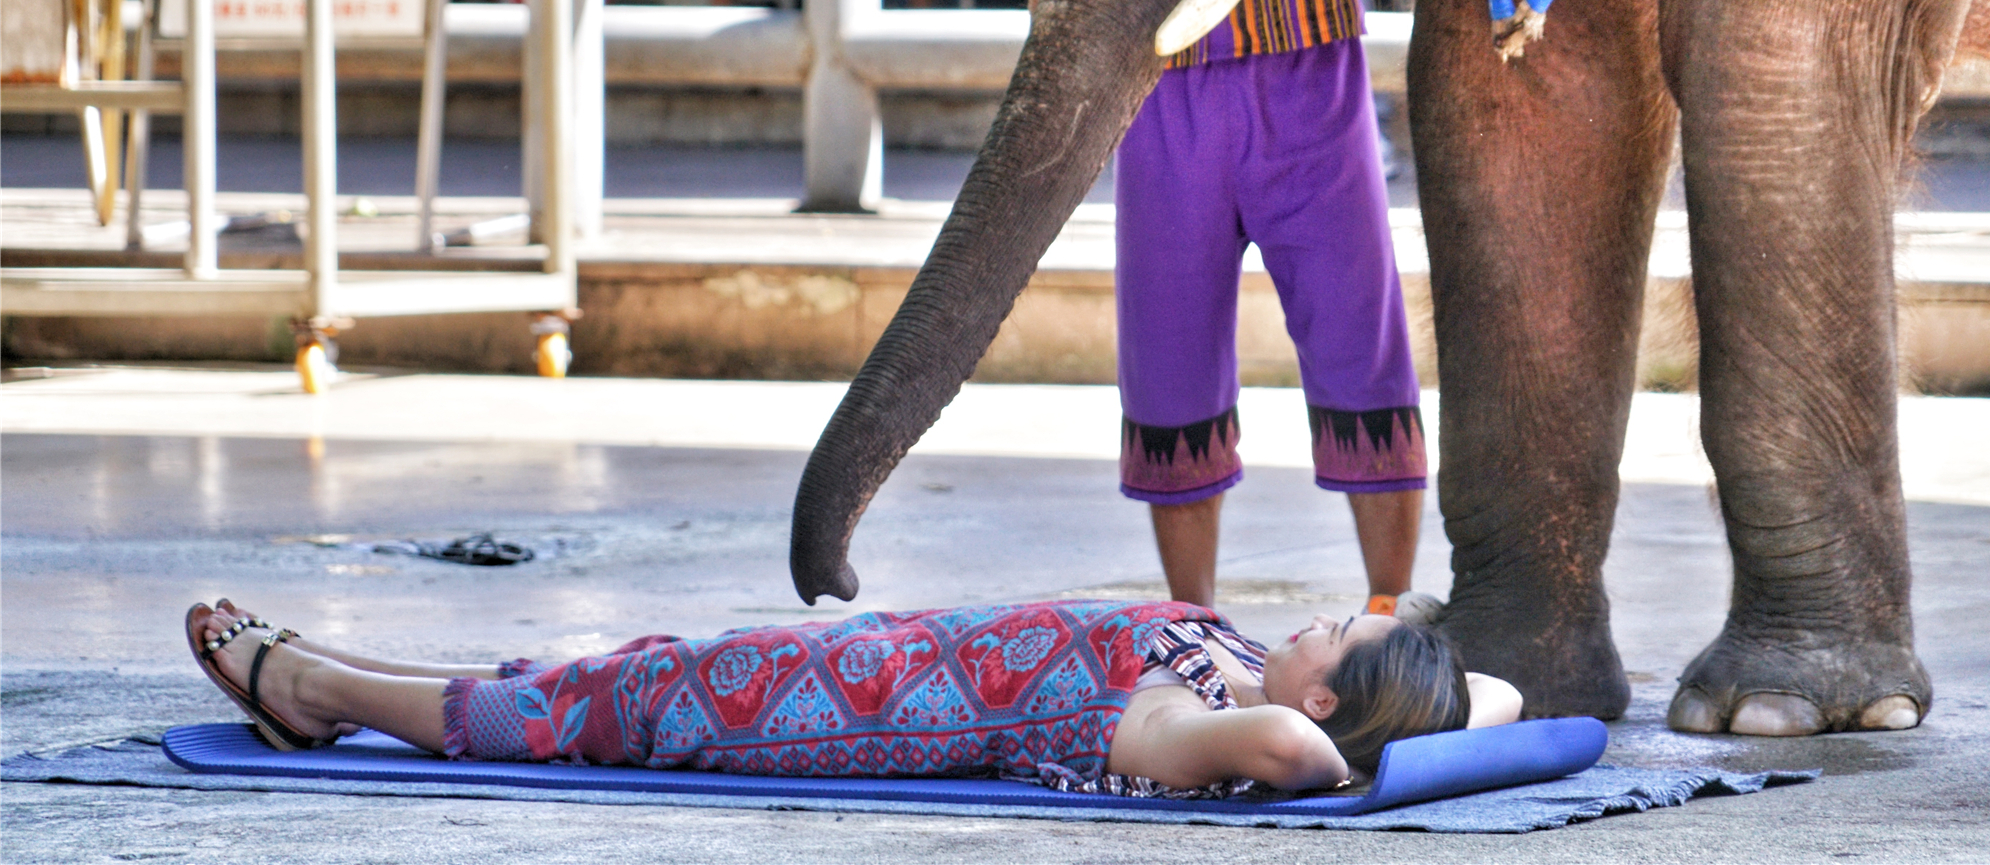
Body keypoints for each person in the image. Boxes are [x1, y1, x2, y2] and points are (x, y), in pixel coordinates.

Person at [1022, 0, 1428, 615]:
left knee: (1361, 334)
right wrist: (1054, 76)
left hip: (1311, 62)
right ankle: (1194, 618)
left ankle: (1389, 612)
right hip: (1162, 75)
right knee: (1168, 358)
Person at [188, 598, 1521, 795]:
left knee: (589, 718)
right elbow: (1506, 696)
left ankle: (313, 688)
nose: (1314, 618)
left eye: (1332, 635)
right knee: (597, 677)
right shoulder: (1221, 656)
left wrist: (1386, 745)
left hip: (801, 714)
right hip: (843, 655)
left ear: (1335, 703)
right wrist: (1448, 705)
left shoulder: (1190, 731)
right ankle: (338, 679)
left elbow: (1295, 754)